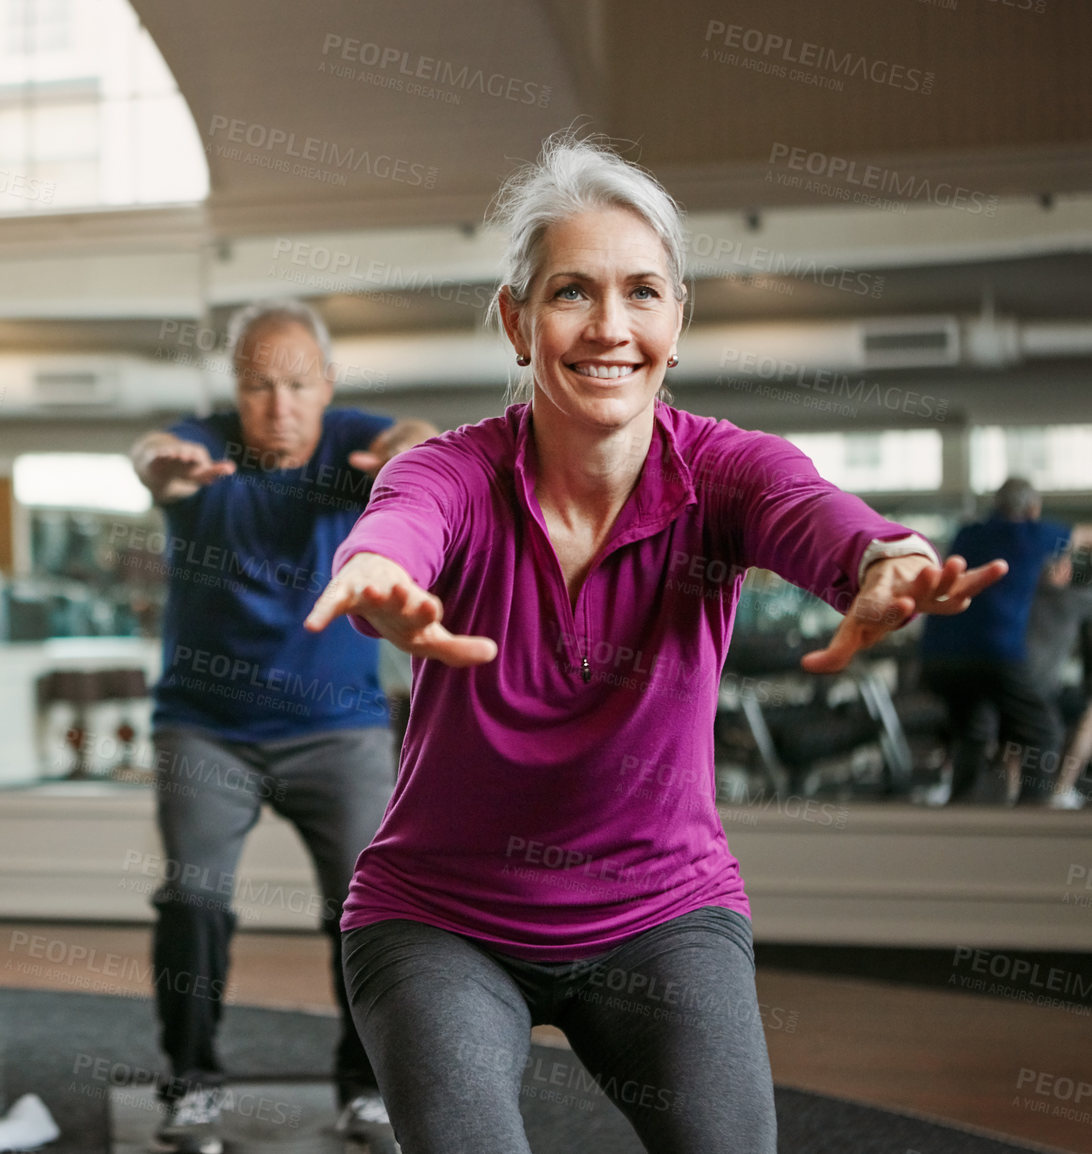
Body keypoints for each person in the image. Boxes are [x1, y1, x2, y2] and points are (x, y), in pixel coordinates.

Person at [301, 132, 1004, 1154]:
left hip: (659, 909)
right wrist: (378, 579)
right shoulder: (454, 471)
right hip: (441, 915)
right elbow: (403, 523)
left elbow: (809, 511)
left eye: (641, 292)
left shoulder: (724, 471)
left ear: (677, 321)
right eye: (570, 293)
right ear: (515, 319)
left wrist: (882, 556)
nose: (608, 327)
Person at [128, 299, 436, 1154]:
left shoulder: (353, 441)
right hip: (205, 727)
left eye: (297, 385)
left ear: (326, 385)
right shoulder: (207, 446)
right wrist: (163, 466)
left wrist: (408, 453)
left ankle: (365, 1086)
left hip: (337, 729)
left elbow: (419, 432)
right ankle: (190, 1086)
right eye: (258, 386)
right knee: (193, 899)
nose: (278, 405)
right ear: (236, 388)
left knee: (369, 907)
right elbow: (151, 454)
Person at [920, 478, 1069, 804]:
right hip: (992, 654)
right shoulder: (1032, 534)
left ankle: (960, 810)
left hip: (937, 657)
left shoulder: (968, 534)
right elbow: (1078, 536)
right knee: (1044, 732)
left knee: (973, 731)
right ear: (1033, 509)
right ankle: (1033, 821)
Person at [1023, 546, 1092, 808]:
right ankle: (1061, 790)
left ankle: (1012, 791)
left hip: (1018, 684)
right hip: (1044, 689)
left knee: (1016, 727)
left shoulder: (1024, 598)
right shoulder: (1072, 599)